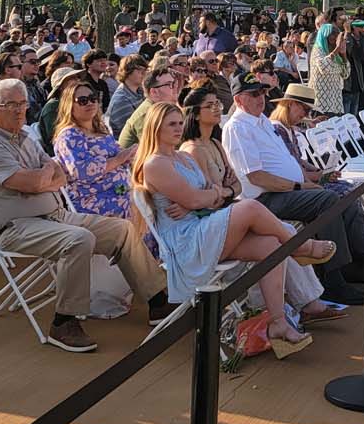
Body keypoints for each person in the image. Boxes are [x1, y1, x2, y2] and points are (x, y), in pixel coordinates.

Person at [0, 79, 171, 351]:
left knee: (122, 229)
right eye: (11, 105)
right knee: (78, 239)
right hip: (17, 227)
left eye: (23, 104)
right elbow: (33, 183)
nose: (20, 111)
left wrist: (43, 179)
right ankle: (63, 321)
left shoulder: (25, 139)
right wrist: (43, 178)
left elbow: (59, 176)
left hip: (55, 215)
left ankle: (158, 302)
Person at [132, 102, 329, 355]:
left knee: (271, 245)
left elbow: (215, 193)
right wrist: (201, 198)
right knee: (249, 207)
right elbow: (197, 198)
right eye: (171, 124)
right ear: (155, 127)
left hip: (204, 225)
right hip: (187, 241)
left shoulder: (184, 157)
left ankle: (278, 323)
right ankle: (302, 245)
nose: (179, 128)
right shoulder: (155, 164)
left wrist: (203, 197)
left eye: (180, 123)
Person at [223, 76, 364, 297]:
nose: (261, 98)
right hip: (265, 200)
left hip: (286, 191)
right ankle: (334, 279)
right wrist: (300, 186)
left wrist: (307, 183)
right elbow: (257, 177)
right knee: (327, 200)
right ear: (239, 100)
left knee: (345, 200)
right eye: (254, 94)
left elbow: (288, 163)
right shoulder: (238, 128)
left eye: (261, 92)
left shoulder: (262, 123)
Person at [181, 86, 336, 322]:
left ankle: (306, 303)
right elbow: (211, 197)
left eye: (217, 105)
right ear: (194, 113)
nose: (217, 109)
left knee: (281, 235)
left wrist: (224, 190)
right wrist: (225, 190)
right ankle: (287, 301)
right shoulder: (192, 149)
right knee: (281, 227)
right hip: (210, 225)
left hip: (227, 211)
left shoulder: (214, 143)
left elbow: (234, 187)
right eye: (210, 105)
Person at [53, 76, 132, 217]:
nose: (89, 103)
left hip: (120, 191)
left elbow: (121, 155)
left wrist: (130, 154)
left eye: (93, 98)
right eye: (82, 101)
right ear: (69, 106)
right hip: (94, 201)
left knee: (152, 198)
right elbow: (83, 171)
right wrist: (118, 159)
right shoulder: (69, 136)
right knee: (143, 205)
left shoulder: (101, 130)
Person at [308, 20, 349, 117]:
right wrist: (337, 49)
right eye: (332, 34)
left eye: (337, 34)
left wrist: (343, 55)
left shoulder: (336, 54)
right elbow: (324, 67)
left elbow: (346, 74)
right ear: (324, 36)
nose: (335, 37)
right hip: (321, 104)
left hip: (335, 103)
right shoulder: (318, 50)